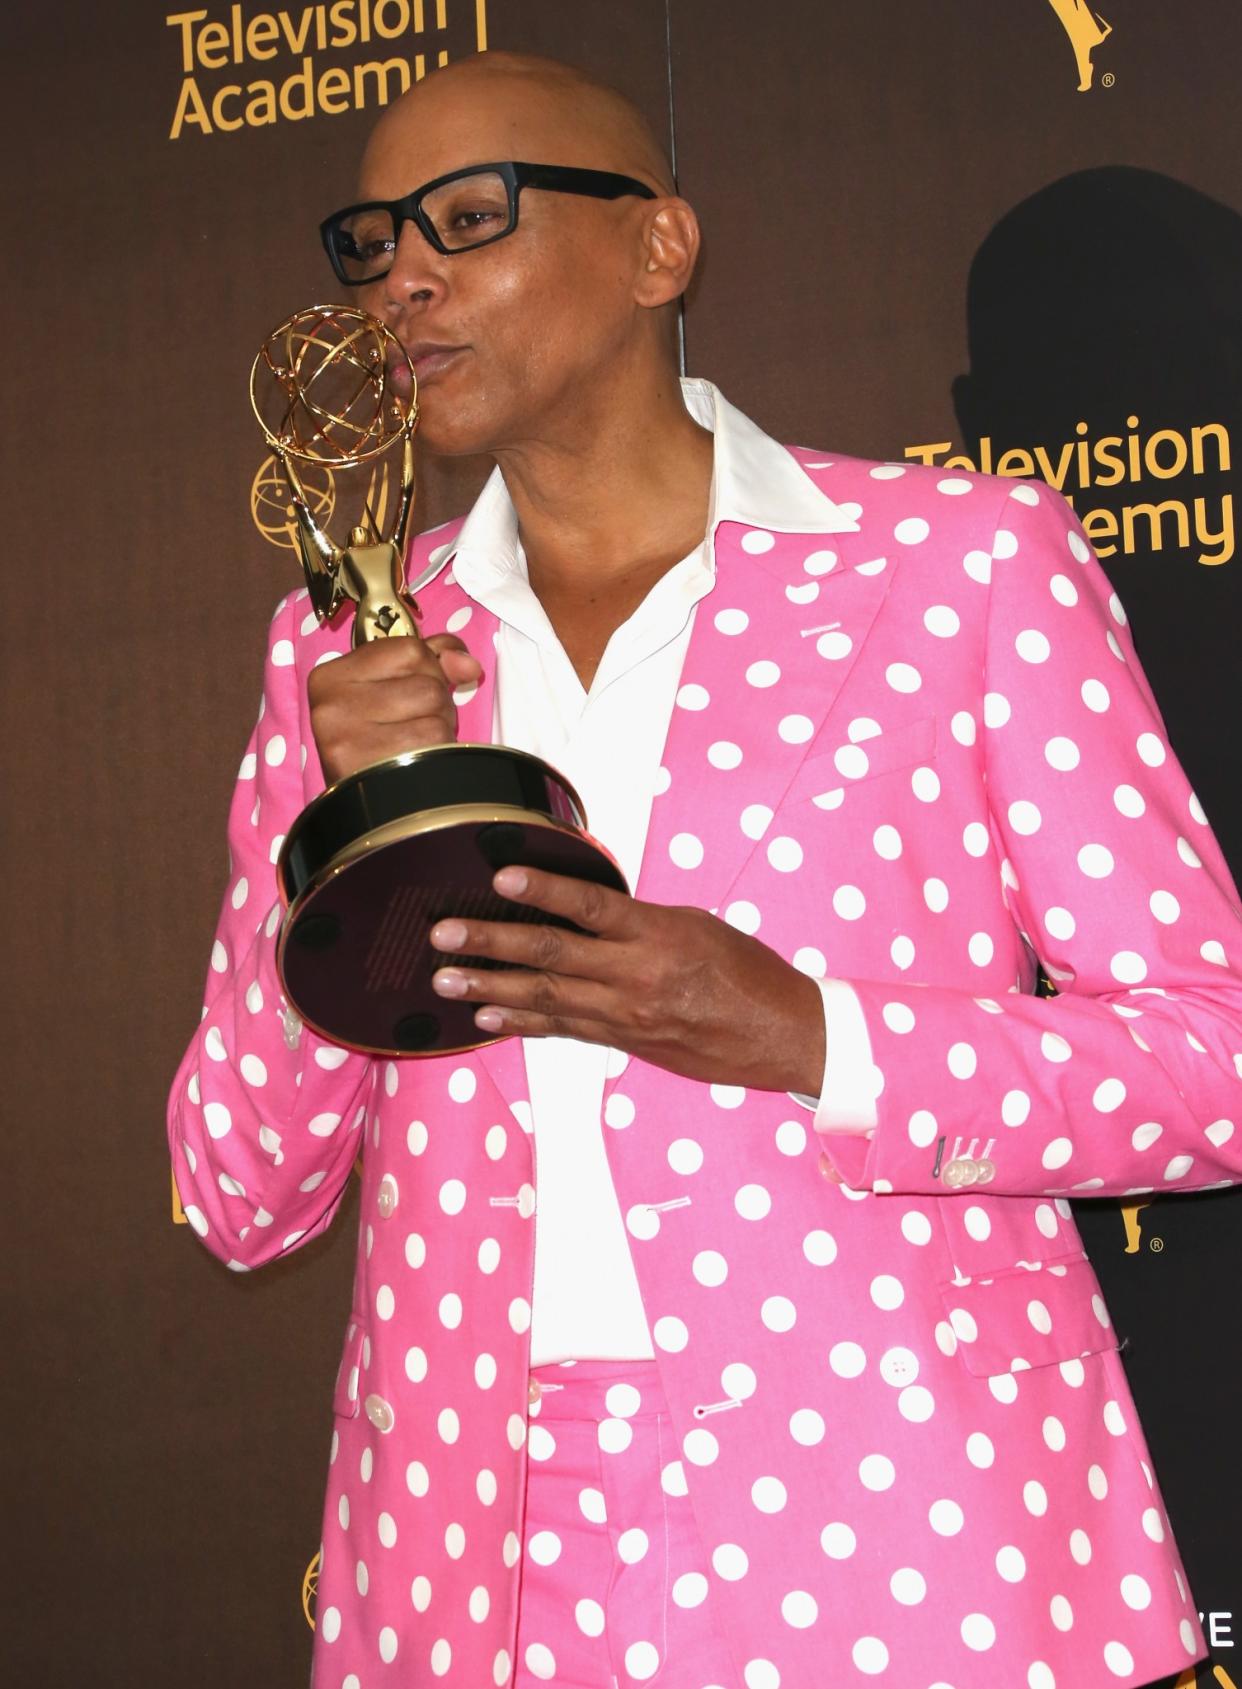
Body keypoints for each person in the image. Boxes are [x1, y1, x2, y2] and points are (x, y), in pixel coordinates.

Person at [168, 50, 1242, 1689]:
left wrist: (813, 1035)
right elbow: (242, 1194)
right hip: (467, 1563)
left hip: (909, 1524)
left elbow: (1212, 1056)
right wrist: (322, 826)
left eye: (469, 219)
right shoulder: (345, 645)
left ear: (657, 248)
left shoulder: (958, 566)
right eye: (372, 241)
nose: (404, 279)